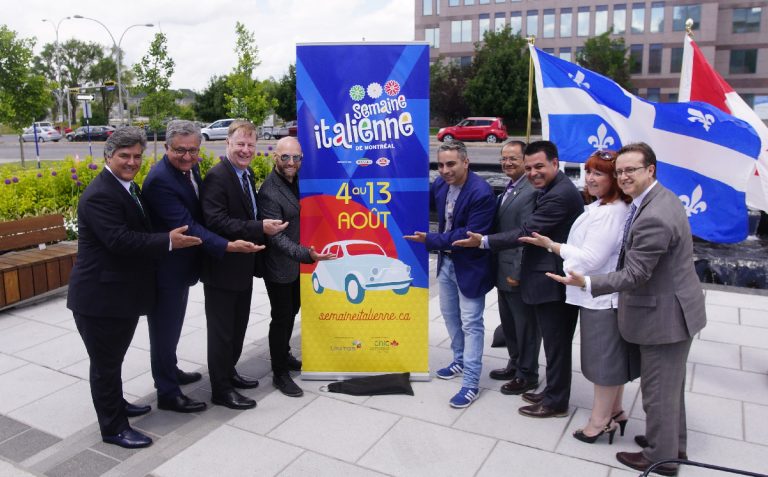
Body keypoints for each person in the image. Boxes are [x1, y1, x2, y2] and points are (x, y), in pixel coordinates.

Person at [549, 142, 706, 476]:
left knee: (658, 392)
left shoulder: (654, 216)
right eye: (619, 171)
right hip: (676, 307)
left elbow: (636, 274)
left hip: (664, 316)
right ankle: (670, 445)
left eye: (630, 170)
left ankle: (659, 460)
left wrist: (588, 283)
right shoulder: (659, 198)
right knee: (670, 387)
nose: (623, 177)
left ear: (650, 169)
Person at [66, 127, 202, 449]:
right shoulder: (101, 194)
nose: (131, 162)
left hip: (119, 296)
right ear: (108, 156)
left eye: (137, 156)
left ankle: (118, 405)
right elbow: (119, 240)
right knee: (105, 365)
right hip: (99, 298)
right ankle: (113, 427)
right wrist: (167, 241)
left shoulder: (128, 187)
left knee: (112, 360)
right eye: (124, 156)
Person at [453, 140, 583, 418]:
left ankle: (556, 402)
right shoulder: (549, 188)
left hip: (553, 278)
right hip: (543, 273)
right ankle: (550, 392)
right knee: (548, 340)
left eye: (539, 166)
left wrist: (484, 241)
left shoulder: (558, 194)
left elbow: (527, 231)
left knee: (555, 343)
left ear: (555, 164)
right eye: (530, 167)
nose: (533, 172)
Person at [142, 120, 263, 414]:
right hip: (166, 267)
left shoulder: (189, 169)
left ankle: (174, 372)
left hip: (189, 263)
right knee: (164, 331)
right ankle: (168, 392)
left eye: (193, 150)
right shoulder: (160, 179)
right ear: (166, 148)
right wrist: (227, 245)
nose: (187, 156)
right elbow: (190, 225)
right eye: (180, 150)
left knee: (174, 328)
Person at [518, 150, 638, 445]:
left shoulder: (611, 212)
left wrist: (554, 247)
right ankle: (616, 412)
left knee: (602, 364)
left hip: (600, 297)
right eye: (589, 171)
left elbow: (590, 260)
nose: (592, 178)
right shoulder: (600, 205)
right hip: (593, 294)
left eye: (600, 173)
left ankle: (598, 423)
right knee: (607, 360)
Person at [201, 120, 288, 410]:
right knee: (222, 332)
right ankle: (220, 389)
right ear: (228, 144)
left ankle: (229, 372)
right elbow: (216, 221)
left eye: (250, 145)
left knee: (237, 328)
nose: (246, 150)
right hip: (223, 268)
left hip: (242, 267)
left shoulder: (246, 174)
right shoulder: (217, 177)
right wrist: (259, 226)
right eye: (240, 144)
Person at [405, 141, 496, 408]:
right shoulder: (441, 185)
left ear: (466, 162)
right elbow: (420, 202)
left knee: (471, 323)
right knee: (450, 316)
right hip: (446, 263)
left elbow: (466, 235)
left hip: (471, 266)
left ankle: (470, 383)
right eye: (441, 165)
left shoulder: (481, 192)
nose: (445, 170)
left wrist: (430, 239)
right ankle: (459, 359)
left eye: (451, 164)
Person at [257, 136, 335, 398]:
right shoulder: (269, 191)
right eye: (285, 157)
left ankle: (285, 354)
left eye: (296, 157)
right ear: (275, 157)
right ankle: (279, 373)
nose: (291, 162)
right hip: (281, 267)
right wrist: (307, 254)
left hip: (300, 266)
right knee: (281, 317)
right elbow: (275, 237)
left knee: (293, 311)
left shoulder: (301, 182)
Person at [487, 141, 541, 396]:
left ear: (525, 161)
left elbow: (525, 235)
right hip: (501, 269)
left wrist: (517, 272)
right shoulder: (510, 188)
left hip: (515, 272)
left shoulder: (531, 191)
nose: (507, 163)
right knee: (509, 324)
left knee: (525, 326)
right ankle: (515, 363)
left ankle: (527, 374)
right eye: (504, 158)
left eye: (513, 159)